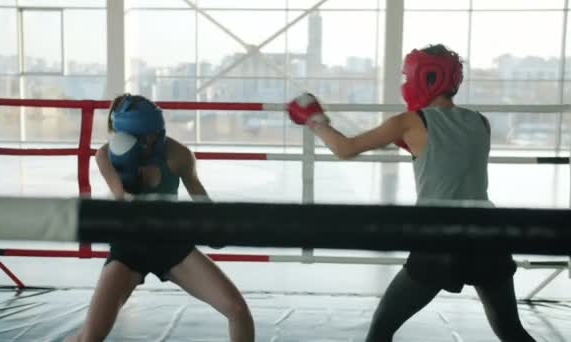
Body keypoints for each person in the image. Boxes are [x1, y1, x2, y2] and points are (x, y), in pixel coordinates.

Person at [286, 44, 535, 342]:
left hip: (441, 236)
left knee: (381, 330)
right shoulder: (480, 122)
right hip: (490, 234)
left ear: (426, 77)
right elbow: (446, 155)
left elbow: (345, 148)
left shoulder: (408, 122)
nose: (404, 84)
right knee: (511, 331)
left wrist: (316, 120)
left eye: (407, 76)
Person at [66, 94, 254, 342]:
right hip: (129, 247)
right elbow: (124, 199)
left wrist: (214, 226)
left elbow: (201, 200)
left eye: (155, 132)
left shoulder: (178, 155)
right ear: (125, 133)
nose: (153, 139)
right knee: (89, 337)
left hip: (171, 243)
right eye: (145, 135)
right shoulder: (105, 156)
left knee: (238, 311)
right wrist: (128, 169)